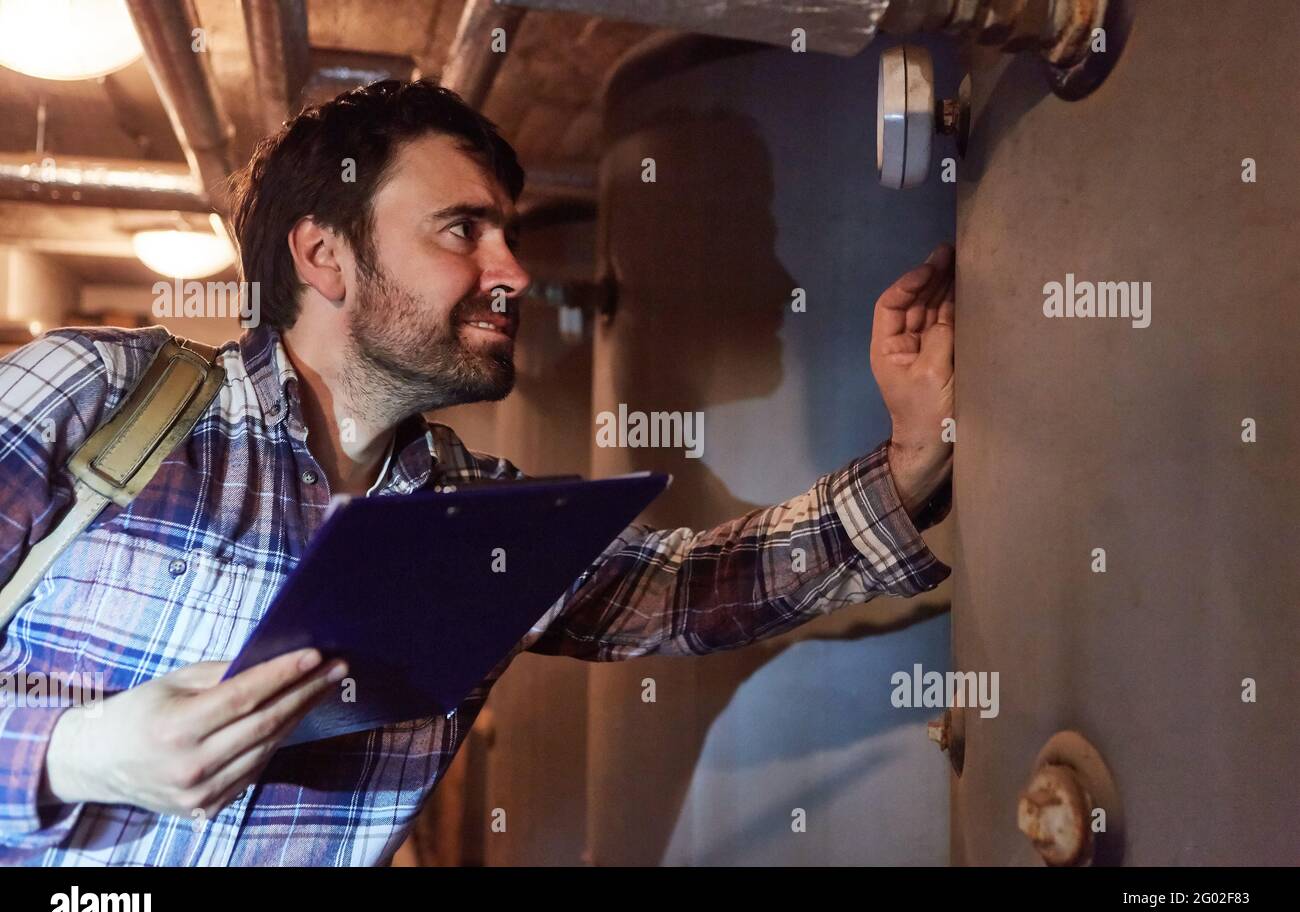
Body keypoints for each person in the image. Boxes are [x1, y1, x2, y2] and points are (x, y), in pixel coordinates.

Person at [0, 79, 955, 866]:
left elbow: (688, 590)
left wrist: (911, 462)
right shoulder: (98, 395)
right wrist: (75, 756)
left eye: (508, 235)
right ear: (324, 256)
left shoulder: (481, 520)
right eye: (462, 231)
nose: (516, 273)